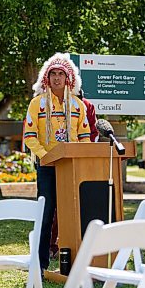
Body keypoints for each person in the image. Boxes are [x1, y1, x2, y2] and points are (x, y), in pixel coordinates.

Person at [23, 52, 91, 272]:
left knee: (73, 215)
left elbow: (85, 137)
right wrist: (45, 156)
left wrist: (82, 157)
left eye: (61, 74)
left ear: (68, 78)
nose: (57, 78)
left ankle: (74, 263)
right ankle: (40, 264)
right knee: (45, 213)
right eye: (53, 73)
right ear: (46, 77)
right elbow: (29, 136)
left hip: (72, 168)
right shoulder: (37, 103)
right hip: (47, 167)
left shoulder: (78, 106)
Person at [48, 88, 98, 259]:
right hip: (55, 159)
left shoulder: (87, 106)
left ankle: (81, 244)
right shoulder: (51, 104)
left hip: (82, 161)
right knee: (56, 205)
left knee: (79, 203)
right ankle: (52, 244)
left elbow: (93, 132)